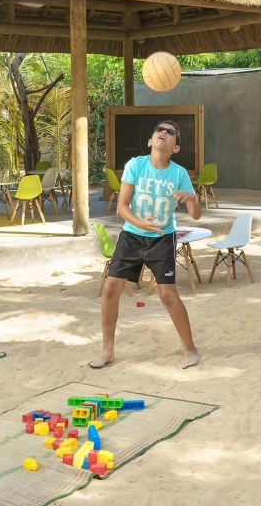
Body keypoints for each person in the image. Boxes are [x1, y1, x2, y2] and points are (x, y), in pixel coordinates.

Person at [91, 120, 202, 370]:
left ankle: (190, 349)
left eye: (170, 132)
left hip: (163, 238)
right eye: (159, 130)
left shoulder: (179, 174)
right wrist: (139, 223)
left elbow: (196, 215)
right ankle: (107, 351)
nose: (163, 133)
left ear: (175, 147)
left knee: (167, 294)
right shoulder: (135, 165)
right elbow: (122, 206)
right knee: (110, 288)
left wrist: (192, 199)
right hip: (132, 235)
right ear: (150, 141)